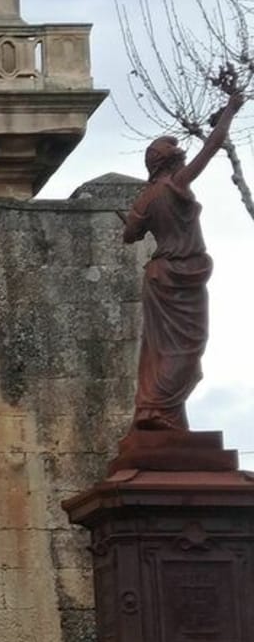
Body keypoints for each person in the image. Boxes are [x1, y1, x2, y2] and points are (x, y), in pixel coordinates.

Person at [122, 79, 246, 431]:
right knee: (188, 347)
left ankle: (161, 412)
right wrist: (230, 112)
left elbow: (129, 235)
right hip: (181, 272)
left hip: (161, 275)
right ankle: (156, 409)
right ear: (172, 162)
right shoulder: (176, 184)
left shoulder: (145, 198)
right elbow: (212, 146)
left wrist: (133, 224)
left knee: (161, 348)